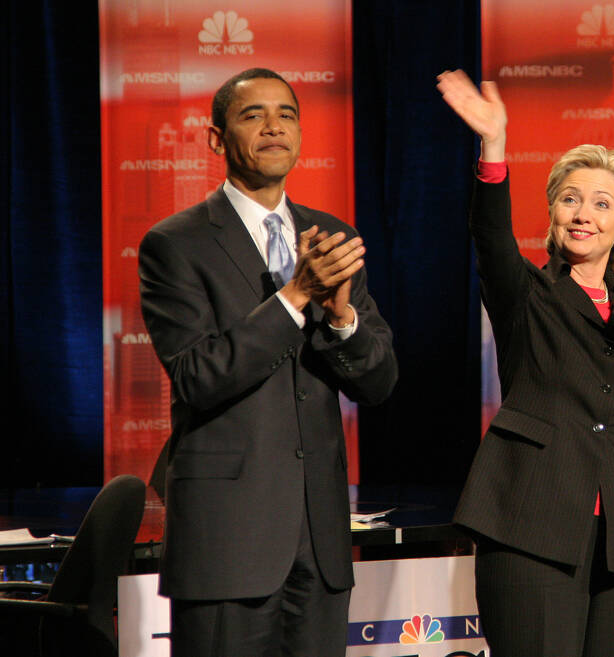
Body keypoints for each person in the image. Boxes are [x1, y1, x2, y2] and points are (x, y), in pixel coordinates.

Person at [139, 67, 397, 656]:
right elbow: (198, 376)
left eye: (286, 113)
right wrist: (295, 296)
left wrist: (340, 319)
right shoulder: (175, 243)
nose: (274, 126)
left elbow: (379, 381)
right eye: (253, 115)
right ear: (216, 138)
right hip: (230, 535)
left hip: (321, 535)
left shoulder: (332, 236)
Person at [436, 69, 614, 657]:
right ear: (552, 211)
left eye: (603, 204)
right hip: (531, 516)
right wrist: (493, 147)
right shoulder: (525, 291)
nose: (583, 214)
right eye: (570, 199)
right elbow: (490, 237)